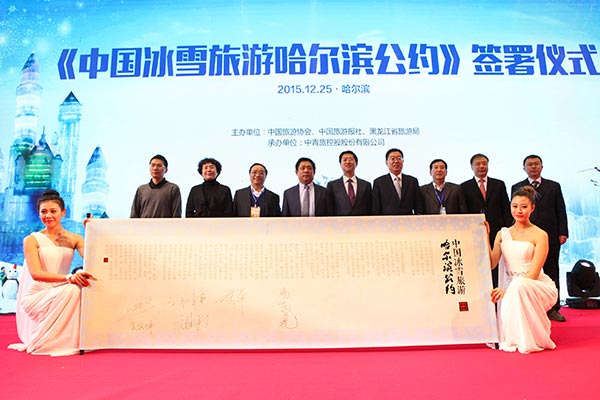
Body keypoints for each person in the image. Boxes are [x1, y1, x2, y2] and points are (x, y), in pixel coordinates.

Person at [8, 190, 95, 356]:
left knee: (77, 288)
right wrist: (69, 278)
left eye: (53, 211)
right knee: (73, 288)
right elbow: (36, 274)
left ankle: (69, 341)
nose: (48, 216)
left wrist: (92, 232)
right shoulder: (31, 240)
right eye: (43, 212)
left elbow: (94, 260)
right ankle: (52, 342)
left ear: (63, 212)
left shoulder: (75, 238)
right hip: (38, 294)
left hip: (62, 289)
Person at [487, 186, 558, 354]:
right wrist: (485, 236)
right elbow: (492, 263)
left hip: (534, 284)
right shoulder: (502, 234)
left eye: (524, 207)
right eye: (515, 206)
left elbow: (534, 273)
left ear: (532, 208)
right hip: (511, 286)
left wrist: (508, 291)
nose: (518, 210)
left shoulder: (540, 235)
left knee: (519, 285)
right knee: (517, 286)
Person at [512, 155, 568, 322]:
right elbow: (515, 212)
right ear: (524, 168)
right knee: (527, 271)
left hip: (550, 235)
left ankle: (553, 308)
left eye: (536, 164)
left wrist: (563, 232)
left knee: (552, 271)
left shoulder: (553, 186)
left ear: (542, 166)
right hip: (525, 238)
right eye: (529, 164)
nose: (533, 167)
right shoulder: (517, 187)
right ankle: (529, 308)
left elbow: (561, 209)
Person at [460, 153, 511, 287]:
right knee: (478, 262)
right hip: (475, 232)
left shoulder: (499, 184)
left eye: (484, 163)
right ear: (472, 167)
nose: (481, 166)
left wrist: (507, 230)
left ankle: (497, 290)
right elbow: (464, 211)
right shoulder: (464, 186)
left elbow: (506, 208)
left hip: (497, 231)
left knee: (497, 264)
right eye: (478, 164)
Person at [372, 148, 422, 215]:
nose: (396, 161)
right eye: (392, 159)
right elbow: (376, 208)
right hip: (387, 220)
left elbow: (418, 206)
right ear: (386, 163)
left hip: (408, 220)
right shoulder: (379, 182)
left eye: (399, 158)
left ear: (403, 161)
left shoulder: (412, 181)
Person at [326, 150, 372, 216]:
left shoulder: (366, 185)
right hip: (340, 221)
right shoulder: (332, 185)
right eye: (344, 160)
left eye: (350, 159)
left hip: (362, 221)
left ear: (356, 163)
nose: (348, 162)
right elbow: (330, 209)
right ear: (340, 164)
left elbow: (370, 207)